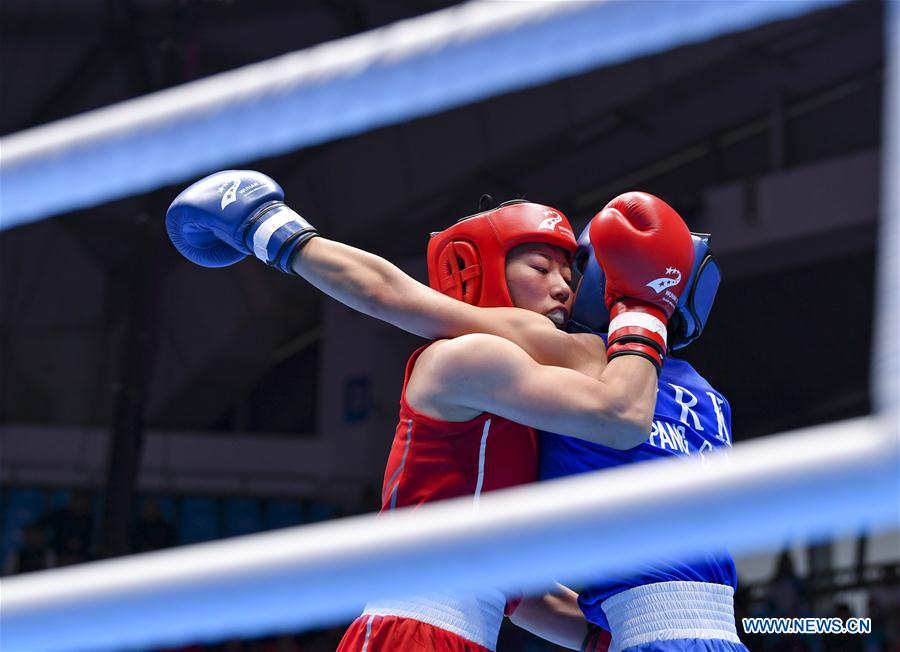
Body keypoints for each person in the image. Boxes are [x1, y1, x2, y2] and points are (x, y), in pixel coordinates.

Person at [167, 172, 695, 652]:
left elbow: (517, 589)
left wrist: (614, 638)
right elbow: (386, 291)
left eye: (569, 274)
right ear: (476, 268)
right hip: (414, 633)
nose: (563, 286)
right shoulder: (464, 359)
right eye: (540, 266)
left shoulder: (525, 406)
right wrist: (647, 309)